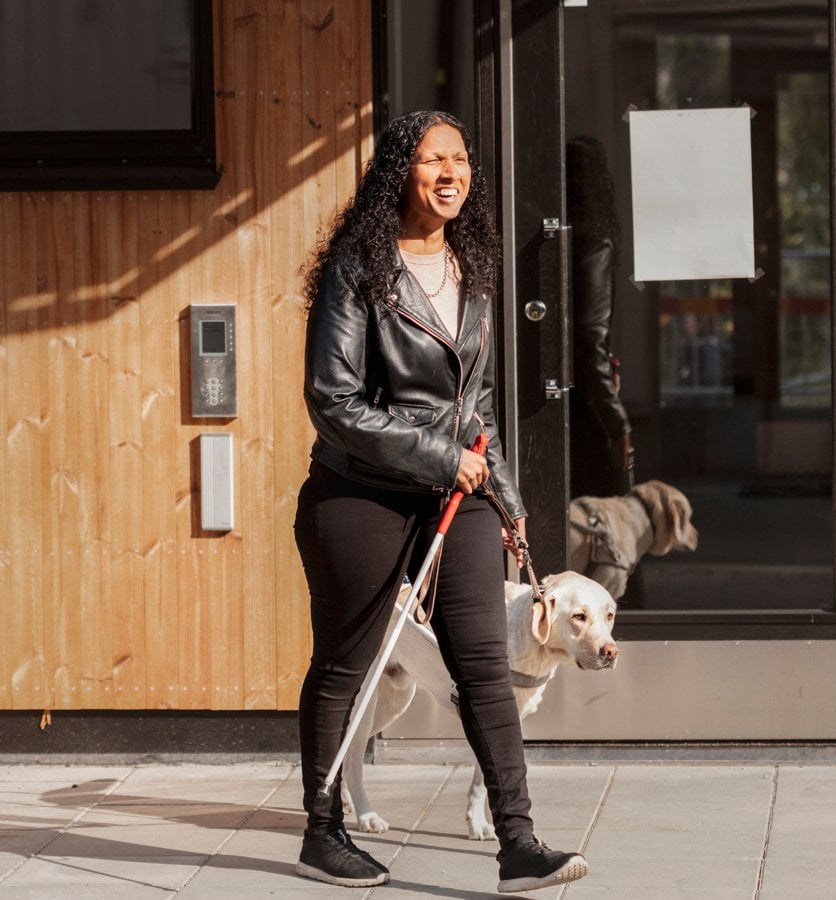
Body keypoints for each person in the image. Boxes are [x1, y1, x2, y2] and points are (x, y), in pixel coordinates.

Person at [293, 110, 589, 893]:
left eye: (460, 160)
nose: (451, 173)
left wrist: (507, 494)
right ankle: (322, 833)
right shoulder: (357, 270)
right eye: (433, 161)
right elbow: (333, 400)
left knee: (485, 667)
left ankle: (518, 844)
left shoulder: (472, 269)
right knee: (345, 666)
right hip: (359, 495)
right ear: (401, 172)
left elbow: (477, 404)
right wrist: (441, 456)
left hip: (459, 495)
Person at [566, 136, 635, 499]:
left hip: (567, 396)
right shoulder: (595, 243)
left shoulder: (558, 237)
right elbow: (590, 337)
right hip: (589, 406)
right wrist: (617, 423)